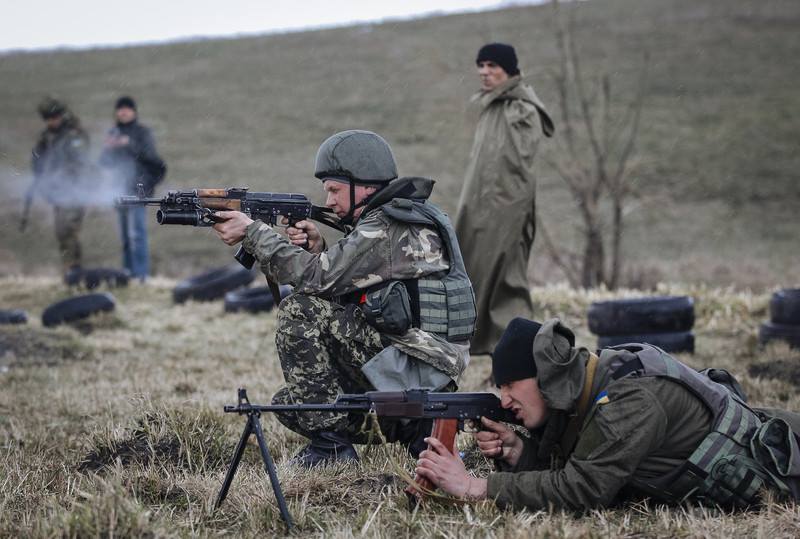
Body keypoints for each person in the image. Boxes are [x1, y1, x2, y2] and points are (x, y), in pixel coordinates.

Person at [212, 130, 477, 467]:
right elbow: (359, 285)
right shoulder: (402, 218)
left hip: (417, 366)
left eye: (335, 190)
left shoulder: (386, 226)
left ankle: (332, 450)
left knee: (299, 310)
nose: (331, 201)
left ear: (364, 185)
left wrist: (253, 233)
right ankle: (414, 428)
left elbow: (316, 279)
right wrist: (319, 249)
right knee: (296, 403)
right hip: (423, 367)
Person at [415, 317, 800, 509]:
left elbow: (584, 488)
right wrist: (520, 452)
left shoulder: (628, 400)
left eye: (511, 384)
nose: (503, 399)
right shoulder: (590, 388)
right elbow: (586, 464)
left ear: (546, 376)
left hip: (785, 477)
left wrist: (476, 487)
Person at [454, 43, 555, 355]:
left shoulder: (522, 110)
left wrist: (508, 216)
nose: (484, 72)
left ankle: (518, 356)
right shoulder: (492, 107)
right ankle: (491, 350)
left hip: (506, 213)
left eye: (492, 66)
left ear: (509, 70)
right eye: (480, 65)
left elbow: (519, 173)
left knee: (506, 281)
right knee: (471, 273)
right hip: (479, 210)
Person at [99, 96, 166, 281]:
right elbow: (103, 162)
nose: (123, 112)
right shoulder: (113, 134)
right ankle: (127, 274)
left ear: (134, 111)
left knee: (137, 234)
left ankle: (142, 275)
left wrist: (129, 145)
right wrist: (108, 148)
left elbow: (151, 157)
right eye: (120, 109)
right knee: (126, 238)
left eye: (127, 109)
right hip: (119, 191)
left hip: (138, 190)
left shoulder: (142, 133)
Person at [29, 97, 91, 276]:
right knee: (61, 231)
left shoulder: (74, 135)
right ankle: (69, 269)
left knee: (68, 229)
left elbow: (80, 162)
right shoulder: (47, 136)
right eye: (48, 118)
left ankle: (74, 269)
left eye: (54, 117)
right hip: (57, 191)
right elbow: (37, 158)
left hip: (75, 190)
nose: (51, 121)